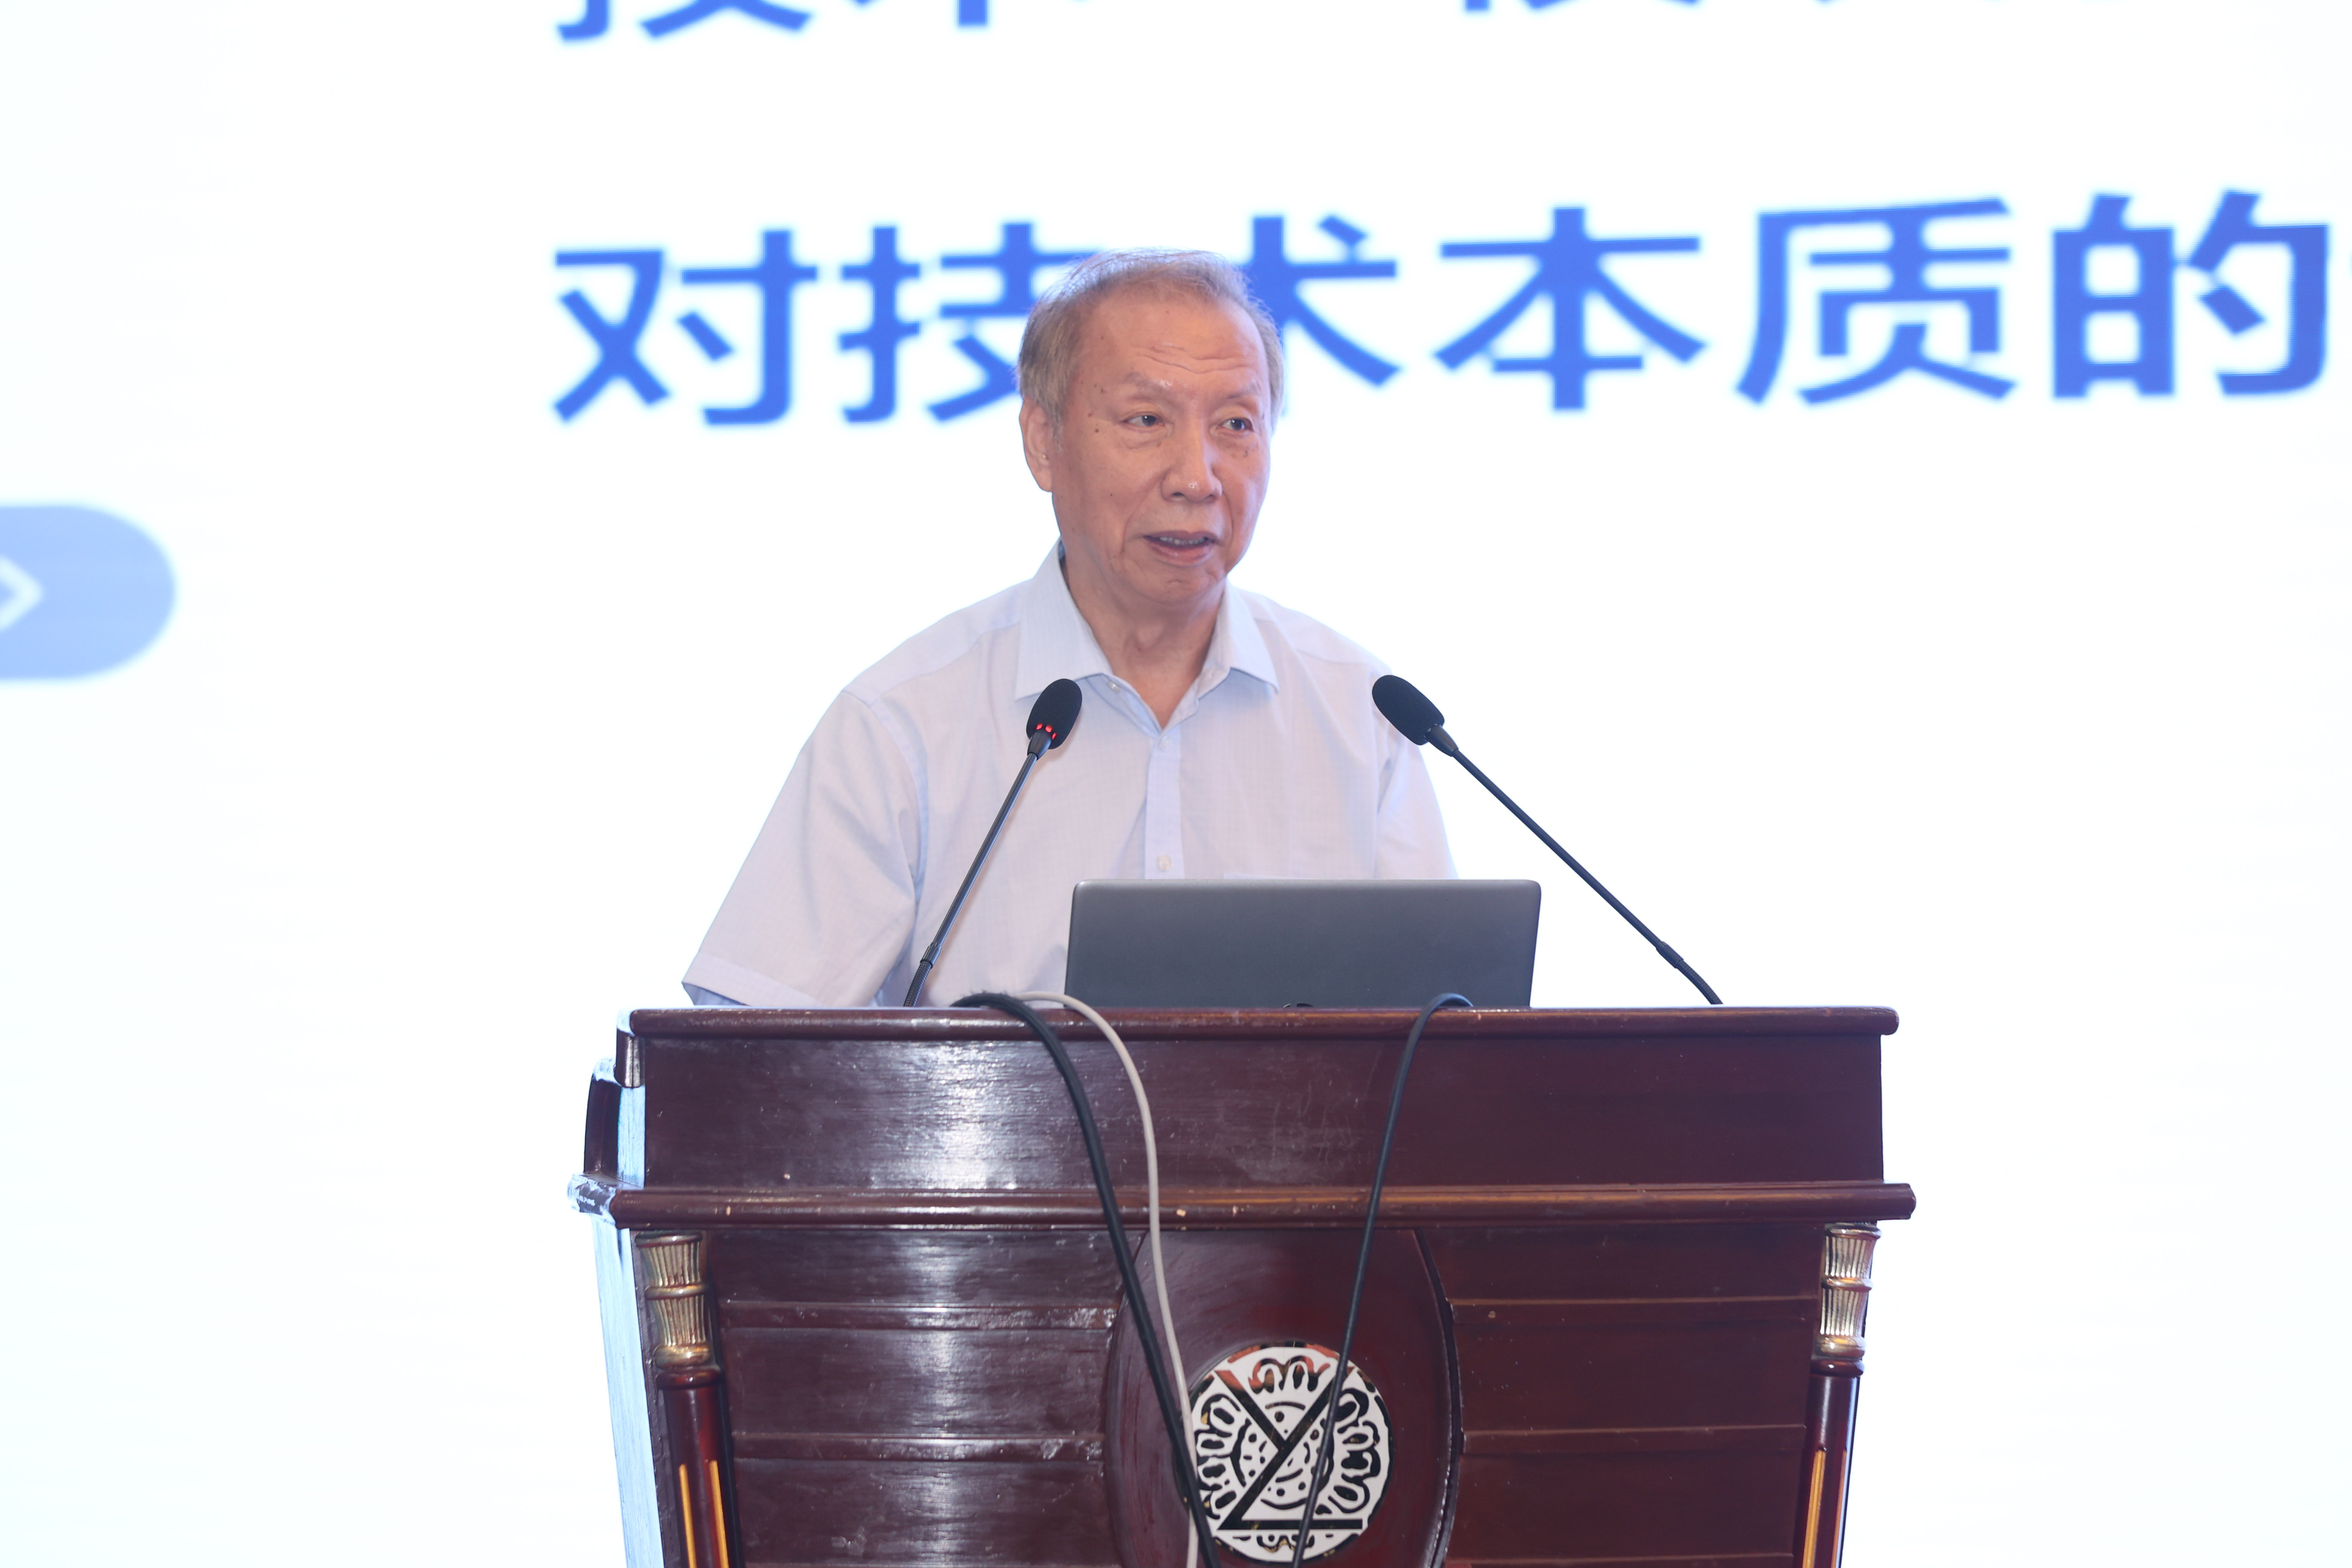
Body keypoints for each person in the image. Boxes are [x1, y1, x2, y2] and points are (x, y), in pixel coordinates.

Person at [682, 249, 1452, 1008]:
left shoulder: (1365, 718)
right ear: (1042, 441)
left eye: (1236, 424)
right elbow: (751, 1047)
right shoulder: (904, 724)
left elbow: (1448, 1037)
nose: (1198, 477)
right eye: (1147, 420)